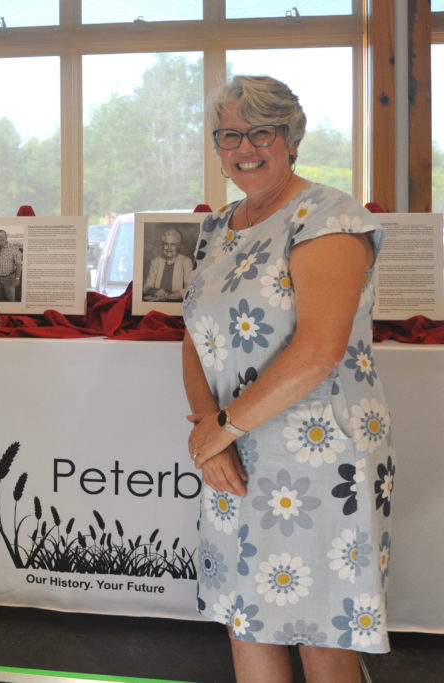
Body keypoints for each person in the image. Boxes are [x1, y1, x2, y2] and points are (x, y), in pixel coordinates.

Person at [181, 75, 393, 682]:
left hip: (321, 456)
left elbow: (319, 350)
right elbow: (195, 336)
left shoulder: (328, 214)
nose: (244, 146)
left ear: (290, 138)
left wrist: (219, 429)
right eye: (229, 135)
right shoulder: (217, 228)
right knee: (246, 617)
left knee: (320, 630)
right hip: (232, 450)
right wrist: (207, 429)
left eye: (261, 131)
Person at [142, 228, 192, 301]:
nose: (169, 248)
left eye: (172, 244)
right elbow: (146, 287)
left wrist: (167, 296)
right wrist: (154, 291)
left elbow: (190, 288)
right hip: (156, 302)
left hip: (177, 304)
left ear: (178, 246)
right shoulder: (155, 262)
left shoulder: (186, 261)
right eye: (166, 244)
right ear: (163, 245)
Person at [0, 229, 23, 301]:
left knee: (10, 299)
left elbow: (19, 265)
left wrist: (17, 279)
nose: (0, 238)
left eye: (2, 236)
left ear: (6, 237)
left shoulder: (14, 249)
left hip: (9, 279)